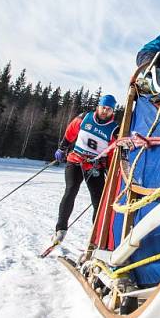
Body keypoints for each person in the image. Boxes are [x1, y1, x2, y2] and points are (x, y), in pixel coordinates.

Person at [51, 94, 119, 243]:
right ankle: (60, 229)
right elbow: (70, 132)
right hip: (75, 160)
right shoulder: (84, 118)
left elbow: (113, 152)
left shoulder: (114, 129)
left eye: (108, 109)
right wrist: (62, 148)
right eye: (103, 107)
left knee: (99, 202)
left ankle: (97, 238)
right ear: (98, 106)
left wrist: (109, 168)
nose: (105, 111)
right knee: (71, 190)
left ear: (112, 111)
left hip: (94, 166)